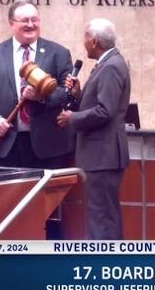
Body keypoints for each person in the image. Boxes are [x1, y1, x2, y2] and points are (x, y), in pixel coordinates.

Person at [0, 0, 74, 169]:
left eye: (34, 20)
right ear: (11, 24)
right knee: (4, 196)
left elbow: (68, 93)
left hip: (47, 148)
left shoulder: (59, 53)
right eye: (25, 20)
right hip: (4, 145)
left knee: (43, 196)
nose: (30, 24)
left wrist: (42, 97)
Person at [56, 18, 130, 240]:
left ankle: (105, 265)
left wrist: (73, 118)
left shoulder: (111, 67)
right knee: (103, 213)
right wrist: (79, 95)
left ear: (95, 41)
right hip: (101, 155)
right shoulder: (107, 64)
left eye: (86, 38)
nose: (84, 43)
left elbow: (105, 111)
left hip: (103, 154)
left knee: (103, 216)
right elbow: (100, 104)